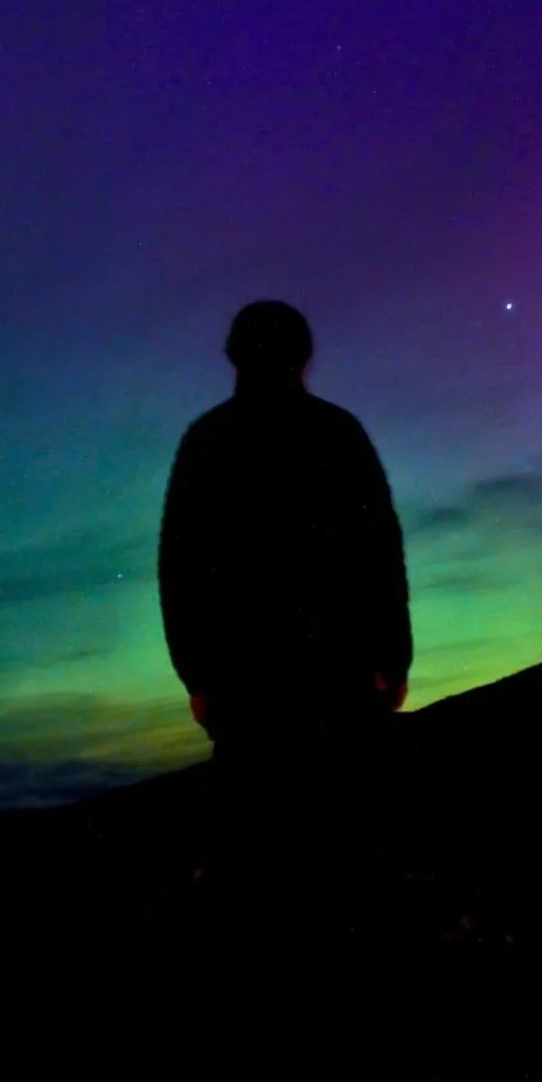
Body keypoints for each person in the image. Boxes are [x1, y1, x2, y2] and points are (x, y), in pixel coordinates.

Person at [158, 300, 411, 804]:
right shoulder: (340, 432)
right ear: (304, 356)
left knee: (260, 838)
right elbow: (380, 553)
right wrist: (392, 659)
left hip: (244, 678)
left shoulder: (205, 441)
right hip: (339, 670)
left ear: (233, 356)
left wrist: (197, 674)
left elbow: (180, 569)